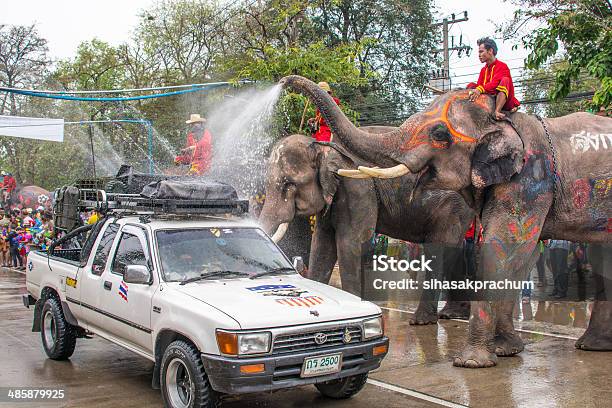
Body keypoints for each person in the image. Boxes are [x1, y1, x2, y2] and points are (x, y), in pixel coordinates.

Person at [467, 37, 520, 120]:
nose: (479, 55)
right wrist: (476, 89)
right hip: (489, 99)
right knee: (471, 85)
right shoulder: (483, 70)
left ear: (490, 51)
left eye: (481, 51)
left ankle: (497, 111)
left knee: (505, 80)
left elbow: (495, 84)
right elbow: (480, 86)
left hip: (505, 102)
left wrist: (480, 89)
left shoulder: (502, 66)